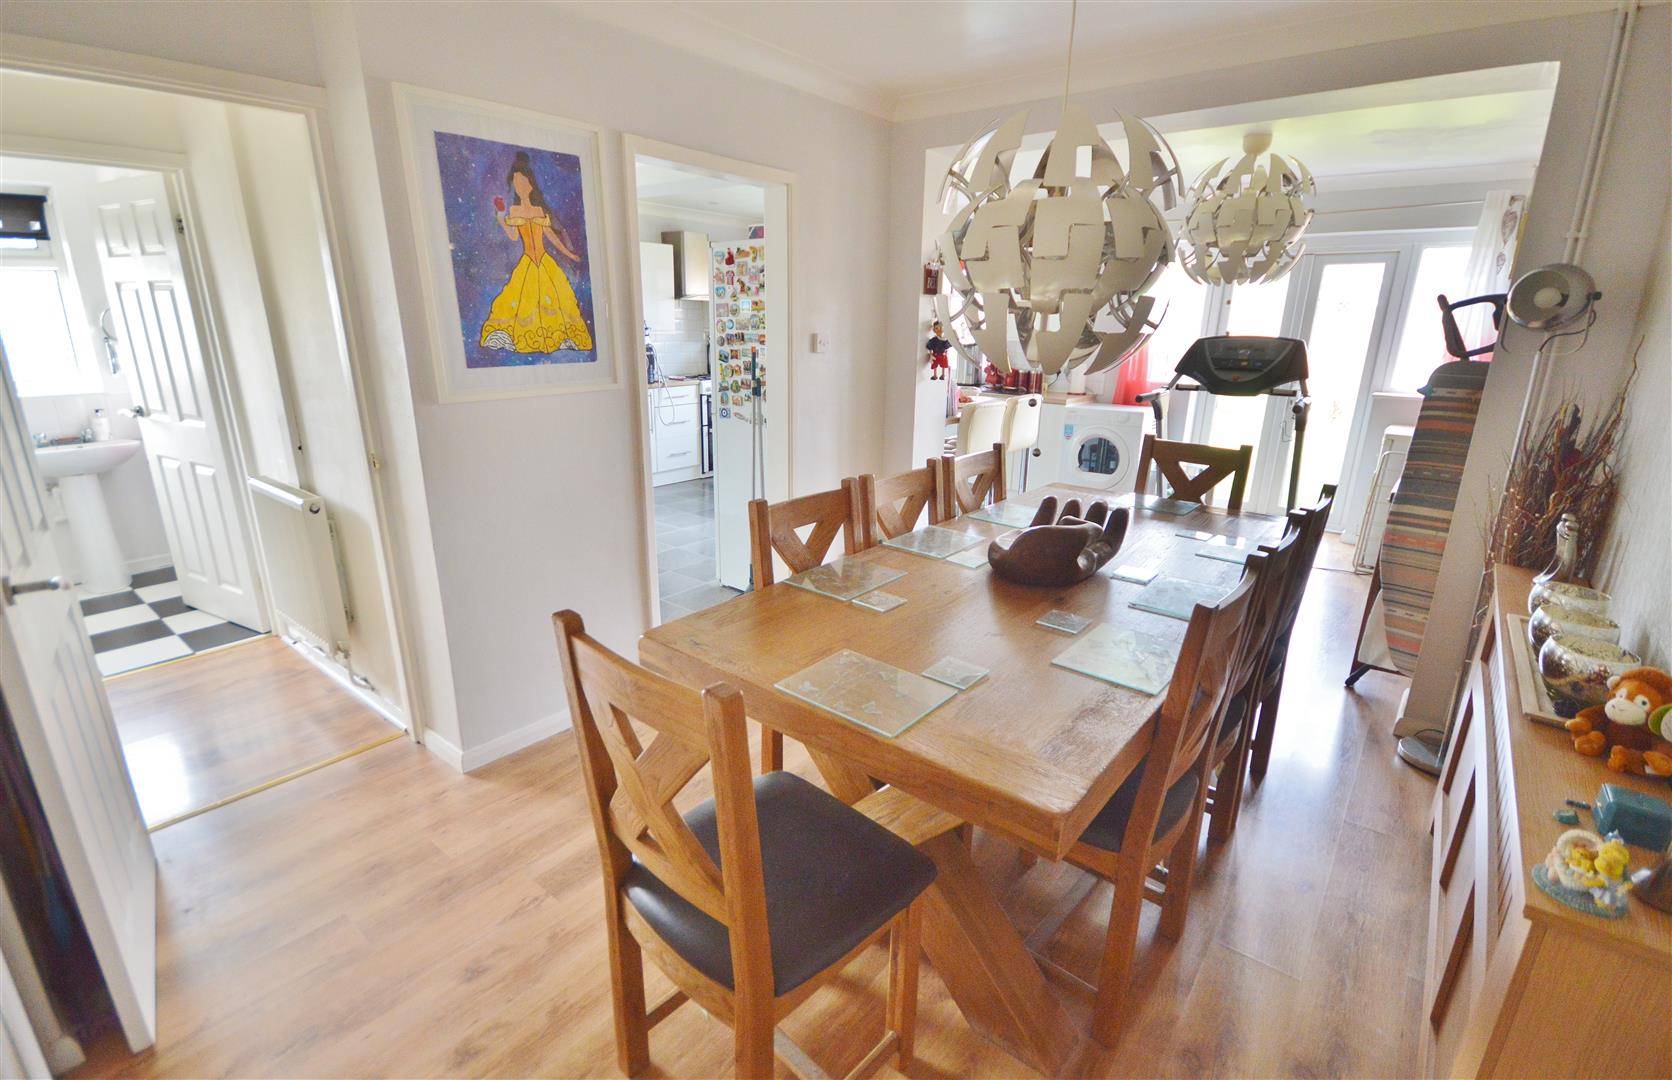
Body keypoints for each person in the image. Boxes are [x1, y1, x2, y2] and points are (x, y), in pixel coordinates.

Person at [480, 151, 593, 354]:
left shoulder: (540, 211)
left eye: (523, 182)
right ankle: (528, 338)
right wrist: (500, 218)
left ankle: (557, 337)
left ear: (531, 184)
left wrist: (570, 254)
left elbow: (551, 237)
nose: (520, 187)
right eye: (516, 183)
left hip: (545, 262)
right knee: (524, 301)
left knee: (556, 300)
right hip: (528, 262)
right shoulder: (515, 211)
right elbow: (513, 236)